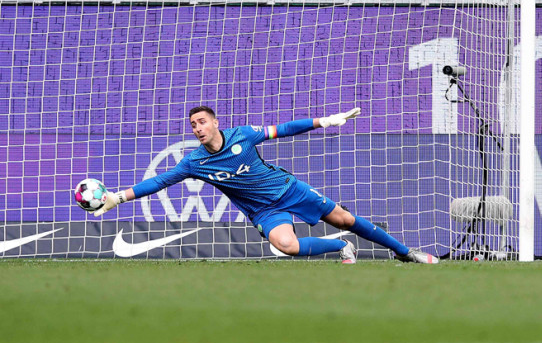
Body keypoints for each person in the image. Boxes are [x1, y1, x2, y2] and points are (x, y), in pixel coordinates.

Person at [97, 106, 439, 264]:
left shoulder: (242, 136)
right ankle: (339, 249)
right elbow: (158, 181)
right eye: (193, 125)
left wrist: (326, 121)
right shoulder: (194, 162)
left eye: (202, 122)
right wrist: (116, 198)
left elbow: (284, 129)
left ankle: (405, 252)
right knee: (287, 246)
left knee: (346, 221)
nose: (197, 128)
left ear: (216, 122)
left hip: (289, 189)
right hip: (264, 210)